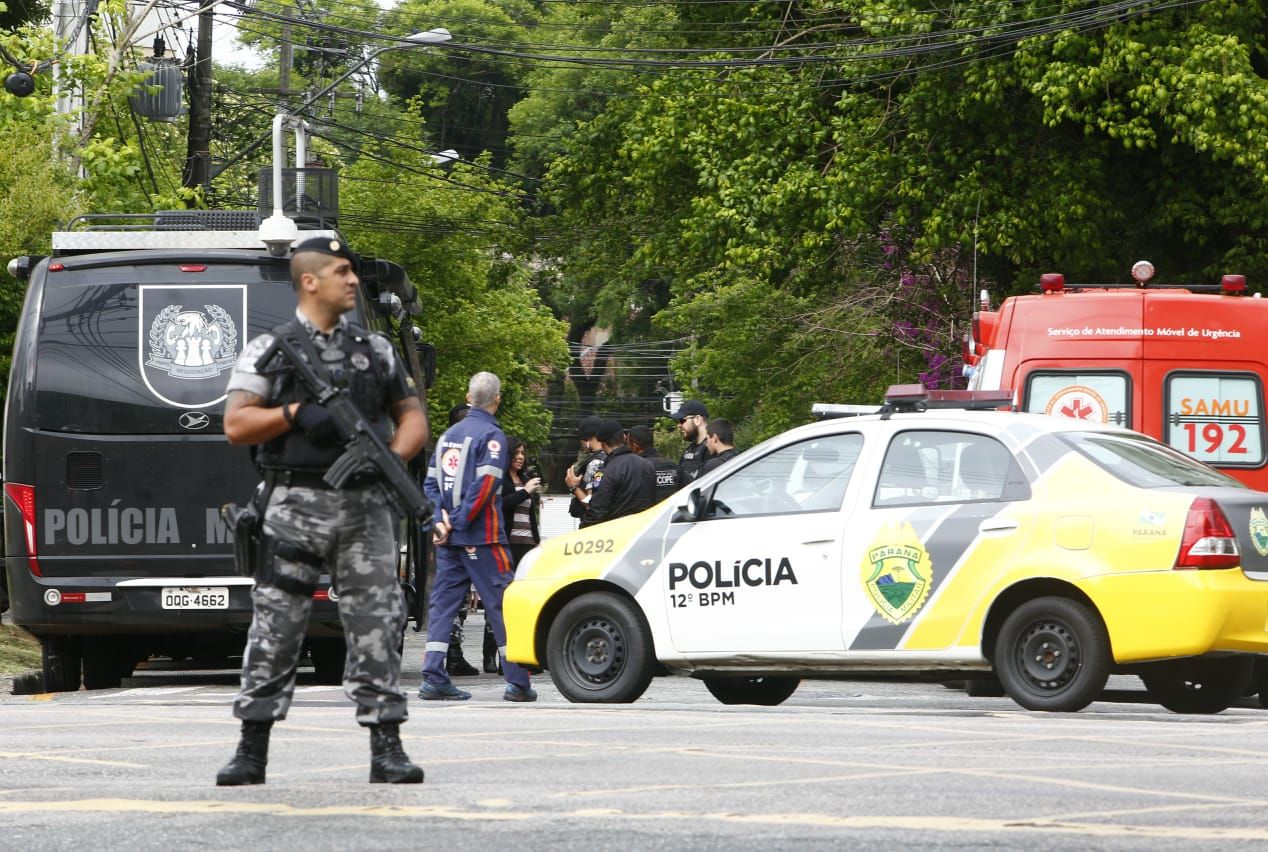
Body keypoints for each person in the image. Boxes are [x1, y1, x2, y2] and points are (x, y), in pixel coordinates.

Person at [216, 237, 427, 786]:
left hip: (365, 505)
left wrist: (386, 458)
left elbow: (413, 419)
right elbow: (236, 424)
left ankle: (387, 747)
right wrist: (291, 414)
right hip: (294, 503)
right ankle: (251, 748)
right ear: (309, 281)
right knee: (277, 622)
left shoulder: (375, 350)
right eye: (341, 271)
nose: (353, 280)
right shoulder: (269, 348)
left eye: (354, 271)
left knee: (378, 621)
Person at [419, 371, 537, 703]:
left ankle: (433, 676)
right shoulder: (492, 437)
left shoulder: (447, 437)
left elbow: (430, 484)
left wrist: (439, 521)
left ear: (469, 398)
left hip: (448, 540)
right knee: (502, 605)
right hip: (483, 538)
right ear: (497, 399)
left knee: (443, 604)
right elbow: (485, 488)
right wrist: (457, 522)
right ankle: (517, 682)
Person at [493, 437, 542, 672]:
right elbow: (500, 505)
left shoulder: (524, 479)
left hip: (527, 545)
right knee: (504, 599)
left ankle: (525, 656)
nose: (521, 457)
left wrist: (537, 541)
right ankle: (497, 656)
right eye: (516, 453)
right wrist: (525, 492)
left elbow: (530, 516)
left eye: (523, 453)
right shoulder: (501, 479)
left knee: (525, 600)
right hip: (508, 545)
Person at [441, 401, 480, 678]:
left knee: (458, 597)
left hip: (452, 531)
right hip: (462, 532)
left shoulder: (446, 450)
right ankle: (452, 655)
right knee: (456, 596)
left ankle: (451, 654)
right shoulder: (464, 454)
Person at [582, 419, 656, 528]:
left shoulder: (606, 472)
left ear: (603, 444)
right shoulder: (647, 465)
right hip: (644, 528)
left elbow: (598, 511)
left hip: (618, 530)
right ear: (624, 438)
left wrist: (583, 529)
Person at [565, 414, 606, 520]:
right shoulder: (610, 457)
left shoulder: (595, 463)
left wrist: (573, 487)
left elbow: (591, 505)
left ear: (586, 439)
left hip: (592, 524)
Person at [627, 425, 681, 503]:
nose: (628, 448)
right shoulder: (673, 466)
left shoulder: (634, 469)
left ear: (635, 446)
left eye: (628, 444)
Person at [671, 400, 711, 483]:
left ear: (697, 419)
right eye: (677, 422)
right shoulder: (689, 449)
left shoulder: (712, 448)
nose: (679, 425)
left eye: (682, 421)